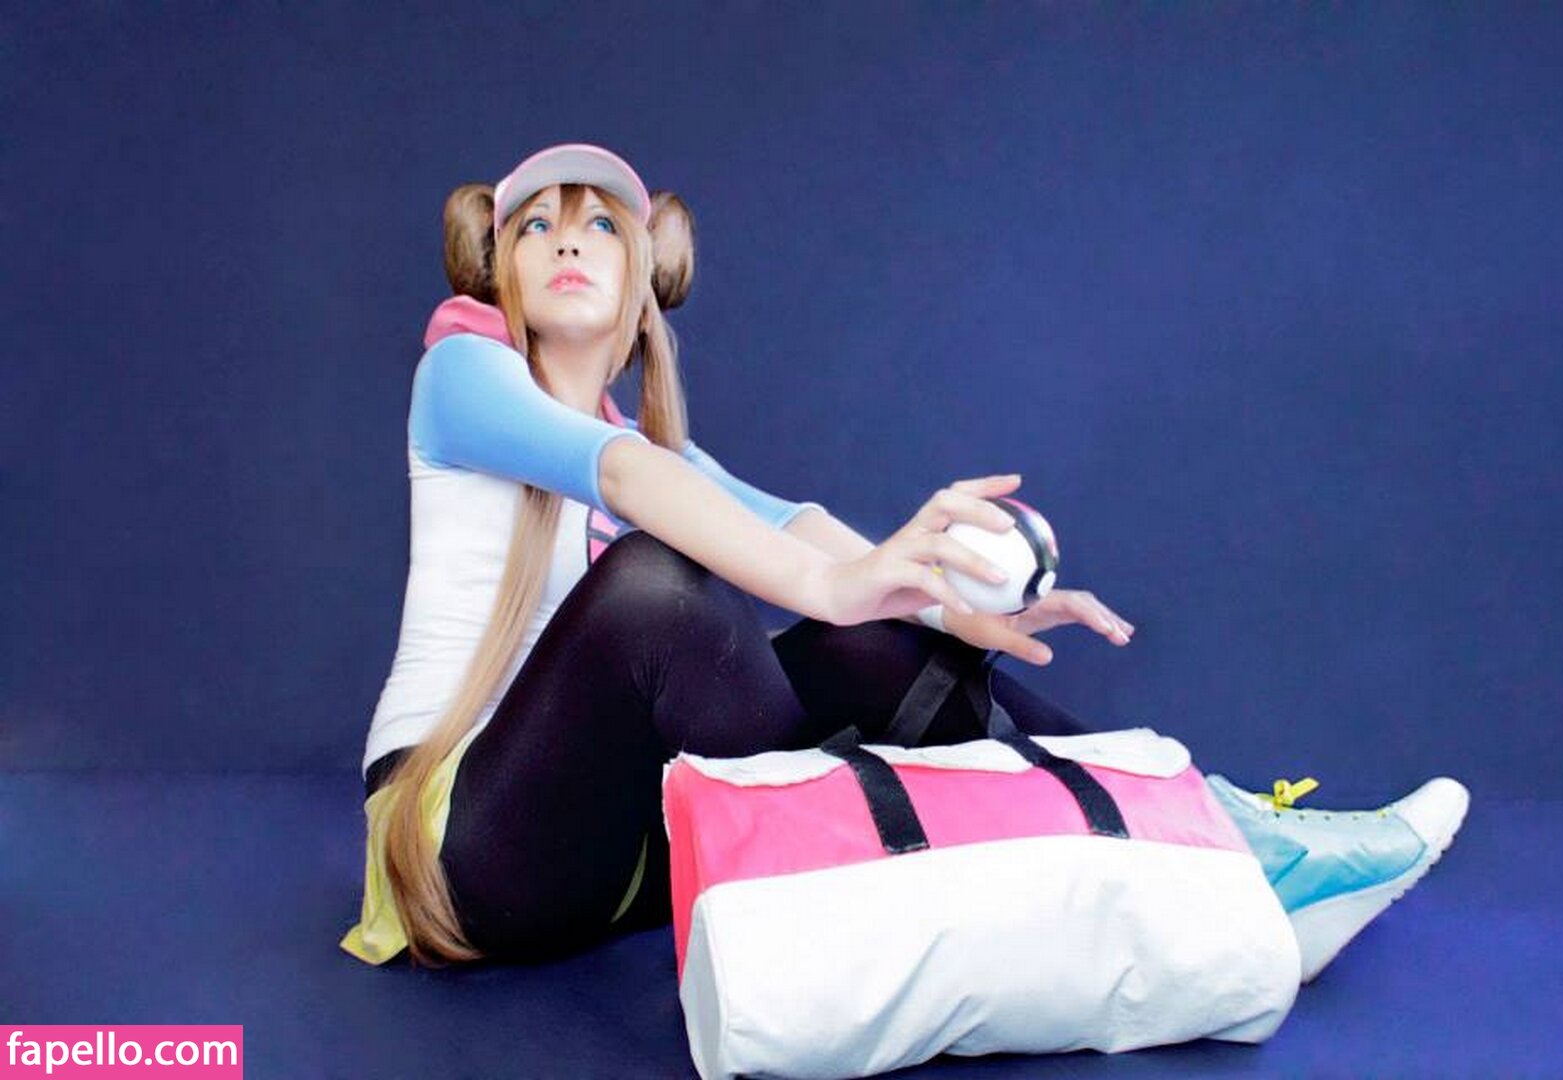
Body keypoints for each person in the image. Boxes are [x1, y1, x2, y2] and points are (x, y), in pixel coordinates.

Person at [341, 144, 1467, 982]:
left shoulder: (658, 452)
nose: (568, 240)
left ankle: (1217, 840)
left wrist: (946, 611)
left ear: (643, 285)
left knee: (883, 644)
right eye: (536, 226)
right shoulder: (463, 373)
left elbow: (800, 527)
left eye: (600, 224)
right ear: (497, 270)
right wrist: (833, 587)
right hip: (467, 855)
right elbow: (633, 487)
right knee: (656, 590)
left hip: (618, 863)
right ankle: (903, 875)